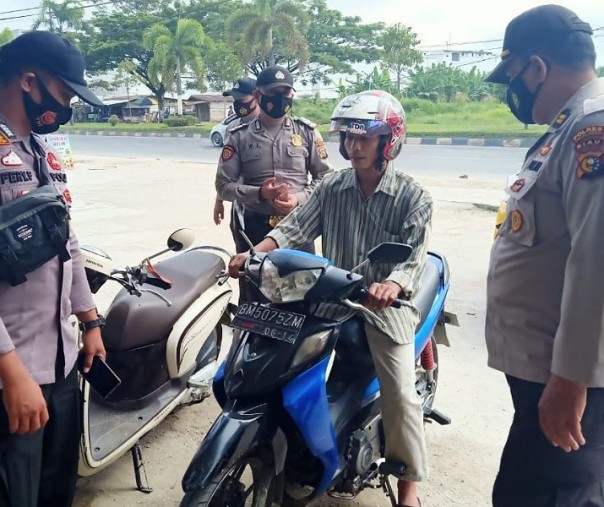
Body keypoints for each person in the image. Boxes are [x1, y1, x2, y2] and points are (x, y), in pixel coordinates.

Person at [229, 90, 431, 507]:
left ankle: (409, 486)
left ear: (387, 142)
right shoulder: (333, 186)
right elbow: (294, 227)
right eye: (349, 138)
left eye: (365, 138)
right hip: (328, 299)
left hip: (383, 311)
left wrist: (391, 285)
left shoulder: (415, 197)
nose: (353, 147)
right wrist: (254, 253)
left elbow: (413, 257)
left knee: (400, 394)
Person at [484, 5, 604, 507]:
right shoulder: (565, 130)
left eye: (512, 75)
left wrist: (571, 379)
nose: (513, 89)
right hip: (547, 373)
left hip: (569, 380)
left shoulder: (590, 129)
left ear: (537, 67)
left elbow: (597, 261)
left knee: (548, 495)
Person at [0, 31, 107, 507]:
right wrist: (12, 373)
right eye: (64, 95)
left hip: (59, 361)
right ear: (28, 81)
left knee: (55, 489)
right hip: (13, 369)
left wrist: (89, 321)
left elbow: (68, 240)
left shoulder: (41, 151)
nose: (66, 106)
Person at [216, 65, 332, 300]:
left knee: (301, 295)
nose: (280, 98)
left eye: (286, 92)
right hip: (255, 229)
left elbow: (325, 178)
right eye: (273, 92)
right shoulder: (239, 135)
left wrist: (297, 200)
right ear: (259, 96)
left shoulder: (307, 132)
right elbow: (223, 186)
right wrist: (259, 193)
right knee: (255, 296)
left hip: (299, 226)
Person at [212, 77, 259, 250]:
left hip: (268, 208)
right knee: (244, 258)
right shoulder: (234, 131)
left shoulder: (273, 127)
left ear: (257, 97)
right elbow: (226, 173)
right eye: (236, 101)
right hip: (242, 206)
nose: (238, 105)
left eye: (242, 100)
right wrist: (219, 200)